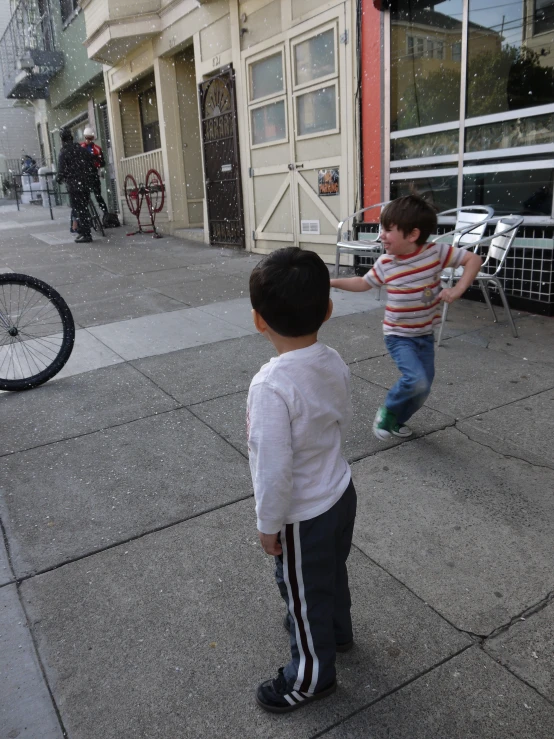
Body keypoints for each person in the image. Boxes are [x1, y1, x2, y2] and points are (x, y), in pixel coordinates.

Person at [247, 247, 356, 714]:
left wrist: (268, 524)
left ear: (258, 320)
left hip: (302, 514)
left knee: (302, 593)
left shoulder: (271, 386)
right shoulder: (331, 359)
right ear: (328, 310)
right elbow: (340, 417)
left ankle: (311, 677)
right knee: (330, 572)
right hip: (340, 494)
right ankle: (336, 634)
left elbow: (273, 469)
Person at [331, 194, 482, 440]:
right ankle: (388, 411)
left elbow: (473, 259)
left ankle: (397, 420)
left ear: (412, 235)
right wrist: (331, 281)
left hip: (424, 334)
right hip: (398, 335)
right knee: (416, 379)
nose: (381, 235)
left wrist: (457, 289)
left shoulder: (436, 253)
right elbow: (362, 282)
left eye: (388, 230)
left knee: (423, 388)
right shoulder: (386, 263)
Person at [56, 128, 95, 243]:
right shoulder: (82, 150)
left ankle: (86, 234)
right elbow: (91, 165)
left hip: (74, 185)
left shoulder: (64, 152)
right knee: (84, 206)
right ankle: (84, 230)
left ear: (62, 140)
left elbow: (61, 171)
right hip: (85, 183)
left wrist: (59, 178)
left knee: (79, 209)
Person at [81, 126, 108, 217]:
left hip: (93, 174)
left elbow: (103, 163)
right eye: (86, 138)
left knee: (98, 196)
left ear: (92, 138)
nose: (88, 140)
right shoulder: (80, 148)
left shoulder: (97, 149)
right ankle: (85, 216)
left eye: (90, 138)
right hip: (83, 175)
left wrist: (96, 161)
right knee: (84, 197)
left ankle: (106, 213)